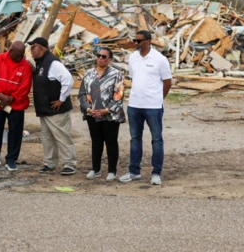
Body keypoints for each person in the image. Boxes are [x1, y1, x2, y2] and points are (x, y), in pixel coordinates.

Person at [119, 30, 172, 186]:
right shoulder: (133, 58)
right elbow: (134, 78)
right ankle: (134, 171)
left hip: (153, 107)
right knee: (135, 139)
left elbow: (167, 82)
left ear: (148, 41)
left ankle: (156, 173)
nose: (135, 43)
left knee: (156, 140)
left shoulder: (160, 59)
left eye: (139, 41)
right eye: (134, 40)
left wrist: (158, 98)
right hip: (134, 105)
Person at [0, 41, 32, 171]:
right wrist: (0, 95)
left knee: (15, 131)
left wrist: (12, 98)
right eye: (18, 54)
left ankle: (11, 159)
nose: (21, 57)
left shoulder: (25, 65)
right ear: (11, 50)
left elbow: (25, 86)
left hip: (16, 104)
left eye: (22, 55)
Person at [28, 37, 77, 176]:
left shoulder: (53, 63)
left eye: (33, 47)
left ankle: (69, 164)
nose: (31, 50)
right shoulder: (40, 62)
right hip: (44, 109)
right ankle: (49, 163)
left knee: (62, 136)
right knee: (47, 137)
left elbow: (68, 80)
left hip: (56, 109)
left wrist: (61, 99)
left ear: (41, 48)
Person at [78, 47, 125, 182]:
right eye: (98, 55)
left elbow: (119, 94)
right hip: (92, 114)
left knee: (111, 142)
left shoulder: (116, 74)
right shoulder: (88, 73)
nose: (100, 58)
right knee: (96, 142)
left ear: (109, 59)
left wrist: (108, 109)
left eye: (104, 56)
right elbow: (81, 93)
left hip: (110, 115)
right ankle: (95, 169)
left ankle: (112, 170)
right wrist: (87, 108)